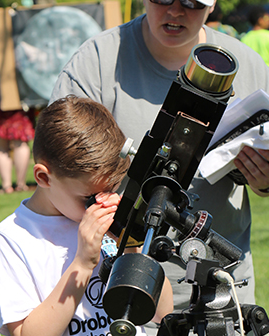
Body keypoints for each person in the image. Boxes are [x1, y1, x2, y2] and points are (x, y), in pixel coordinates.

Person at [50, 0, 269, 334]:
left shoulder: (249, 66)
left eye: (192, 3)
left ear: (211, 6)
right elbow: (58, 166)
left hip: (223, 292)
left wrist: (264, 179)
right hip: (120, 292)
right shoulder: (98, 61)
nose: (175, 11)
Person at [0, 95, 173, 336]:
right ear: (43, 178)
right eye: (90, 198)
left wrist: (130, 242)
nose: (103, 202)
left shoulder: (110, 227)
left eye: (112, 190)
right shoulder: (12, 240)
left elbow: (162, 312)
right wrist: (82, 263)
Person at [0, 108, 35, 193]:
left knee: (2, 147)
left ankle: (7, 186)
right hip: (19, 104)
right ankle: (21, 185)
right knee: (20, 143)